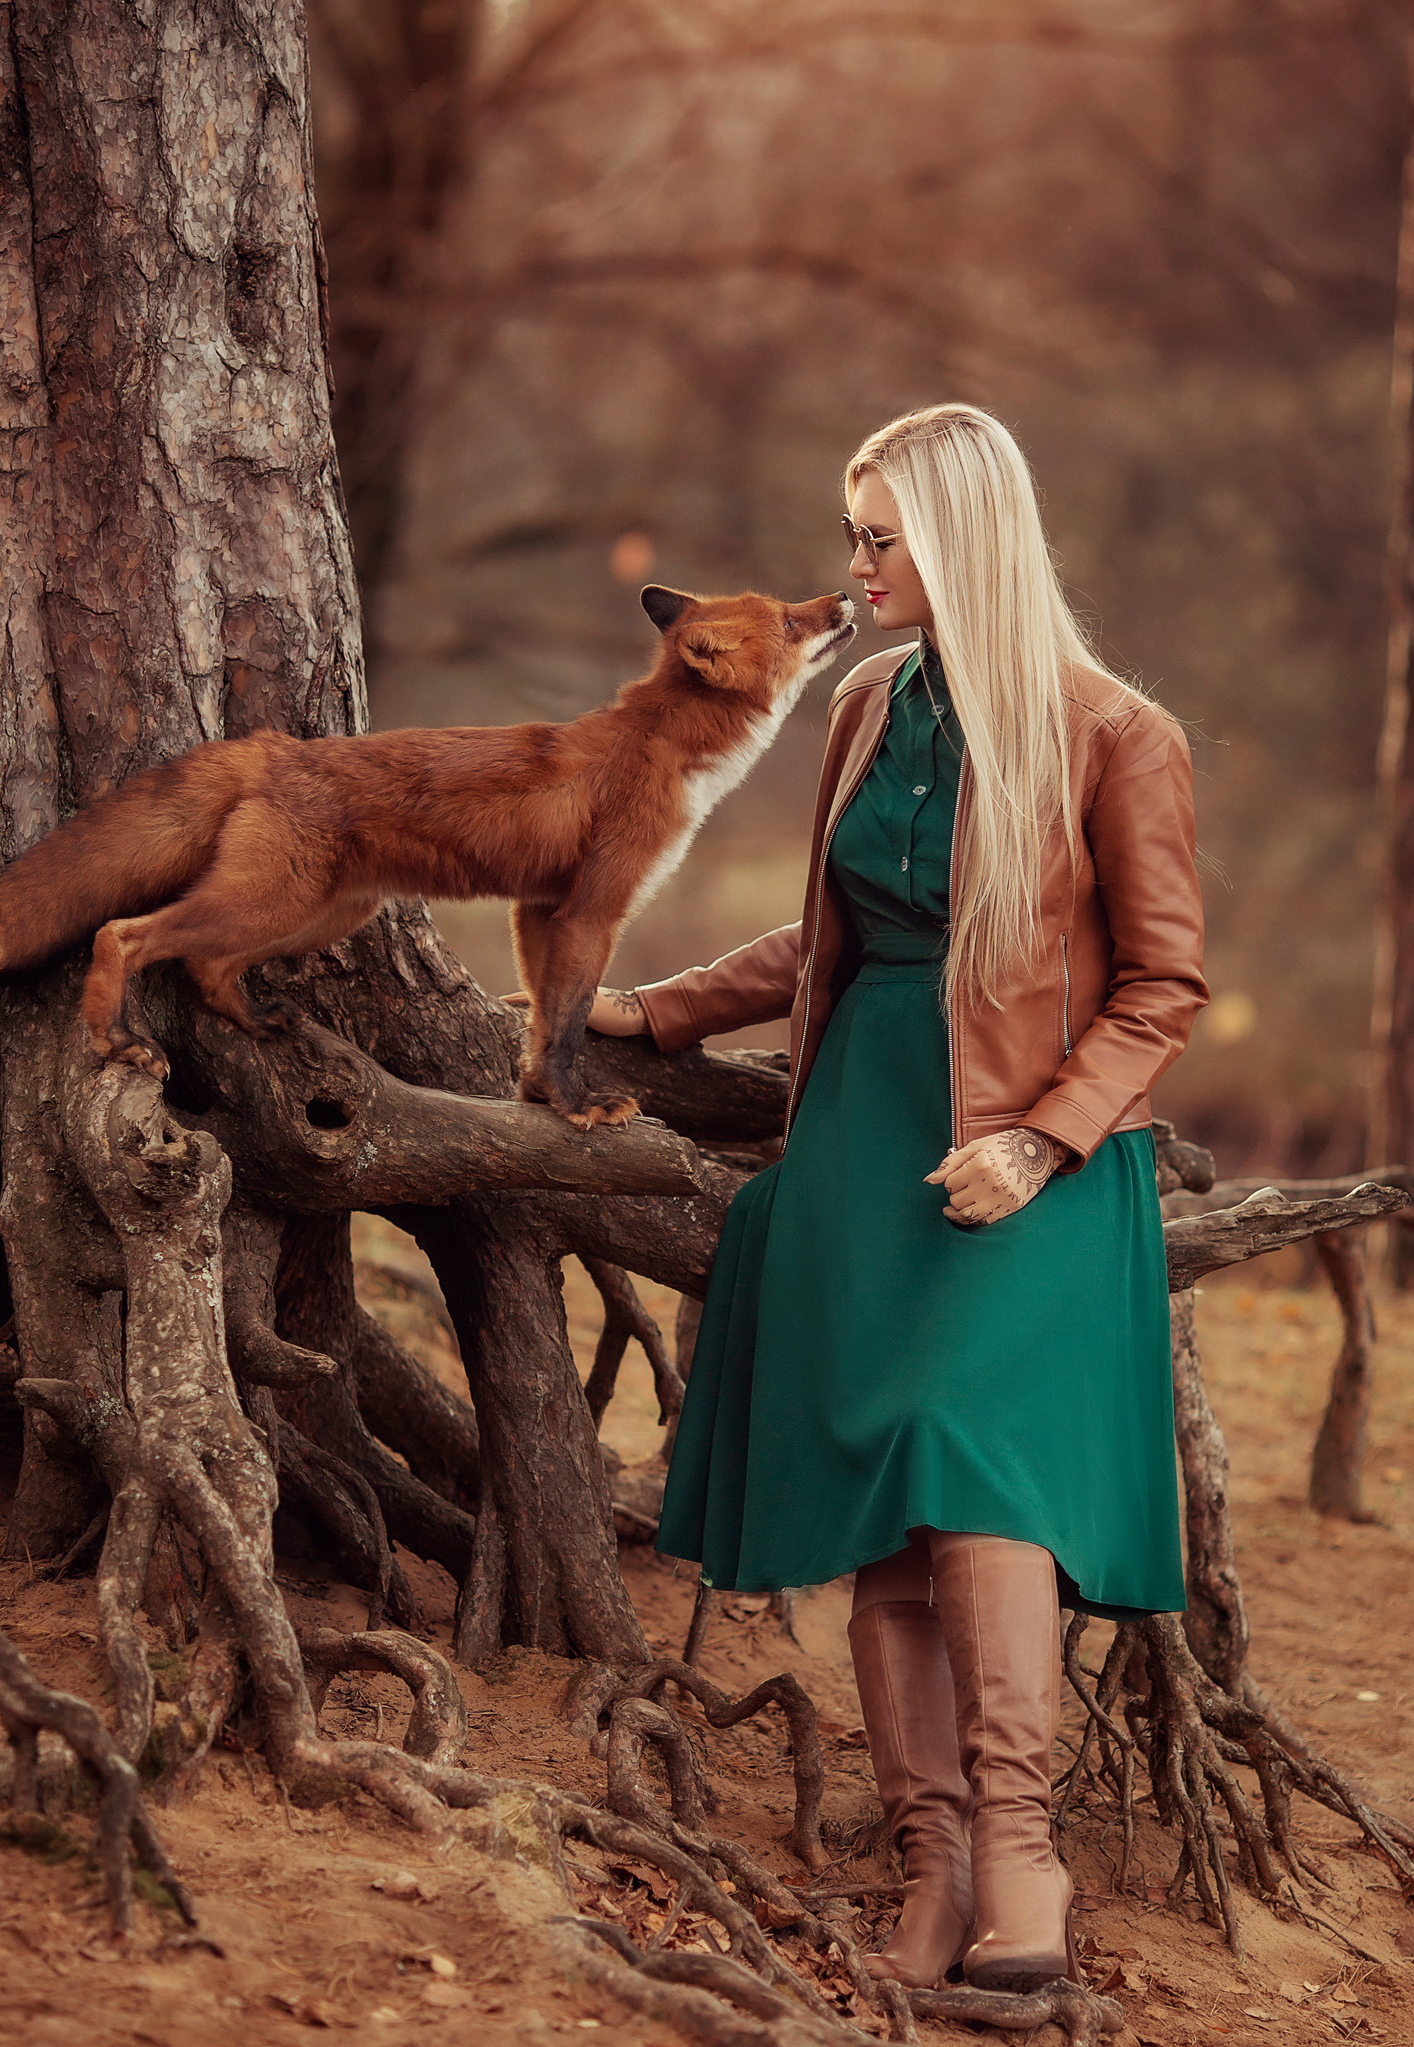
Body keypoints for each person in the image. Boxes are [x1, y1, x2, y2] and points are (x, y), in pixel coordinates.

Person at [586, 404, 1208, 1992]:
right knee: (885, 1502)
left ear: (960, 541)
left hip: (1028, 1157)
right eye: (852, 535)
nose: (851, 567)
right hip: (862, 1134)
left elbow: (1162, 985)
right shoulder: (868, 707)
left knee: (970, 1465)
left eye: (878, 539)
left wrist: (1043, 1139)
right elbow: (830, 933)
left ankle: (1021, 1856)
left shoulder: (1114, 732)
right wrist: (654, 1006)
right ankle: (931, 1867)